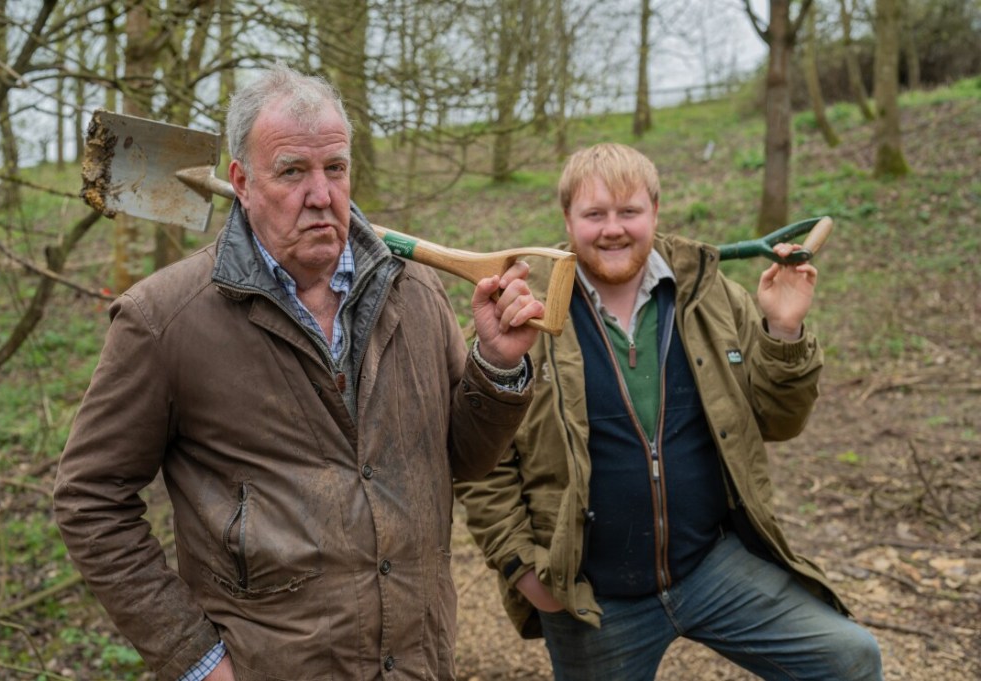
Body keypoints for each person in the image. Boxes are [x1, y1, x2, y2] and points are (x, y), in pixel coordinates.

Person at [53, 63, 545, 681]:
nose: (322, 194)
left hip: (417, 663)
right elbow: (89, 500)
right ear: (241, 181)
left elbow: (460, 461)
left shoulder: (414, 293)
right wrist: (197, 660)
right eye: (292, 171)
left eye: (334, 168)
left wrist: (496, 366)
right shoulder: (164, 321)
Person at [454, 143, 884, 680]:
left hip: (710, 565)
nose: (613, 229)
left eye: (629, 212)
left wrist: (783, 330)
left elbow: (781, 421)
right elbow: (479, 462)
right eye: (594, 214)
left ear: (655, 212)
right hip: (591, 596)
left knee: (849, 660)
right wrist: (522, 568)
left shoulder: (711, 297)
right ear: (567, 220)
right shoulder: (523, 316)